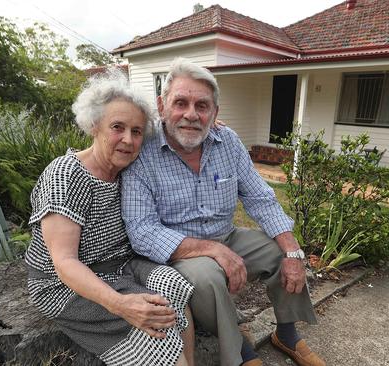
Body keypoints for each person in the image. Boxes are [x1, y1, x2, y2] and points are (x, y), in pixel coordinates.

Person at [122, 58, 326, 366]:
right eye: (181, 103)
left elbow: (260, 197)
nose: (191, 114)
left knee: (278, 251)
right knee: (206, 279)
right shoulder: (144, 151)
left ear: (214, 112)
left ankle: (286, 334)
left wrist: (293, 251)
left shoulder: (227, 141)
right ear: (162, 105)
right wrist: (211, 250)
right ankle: (242, 354)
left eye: (202, 106)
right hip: (181, 251)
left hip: (226, 235)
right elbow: (142, 230)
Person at [24, 71, 195, 366]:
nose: (128, 140)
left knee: (175, 286)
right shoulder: (66, 175)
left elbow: (174, 142)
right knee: (159, 334)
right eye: (117, 127)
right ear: (94, 126)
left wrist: (209, 130)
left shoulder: (128, 166)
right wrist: (122, 305)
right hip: (64, 285)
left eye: (137, 131)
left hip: (121, 266)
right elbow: (64, 263)